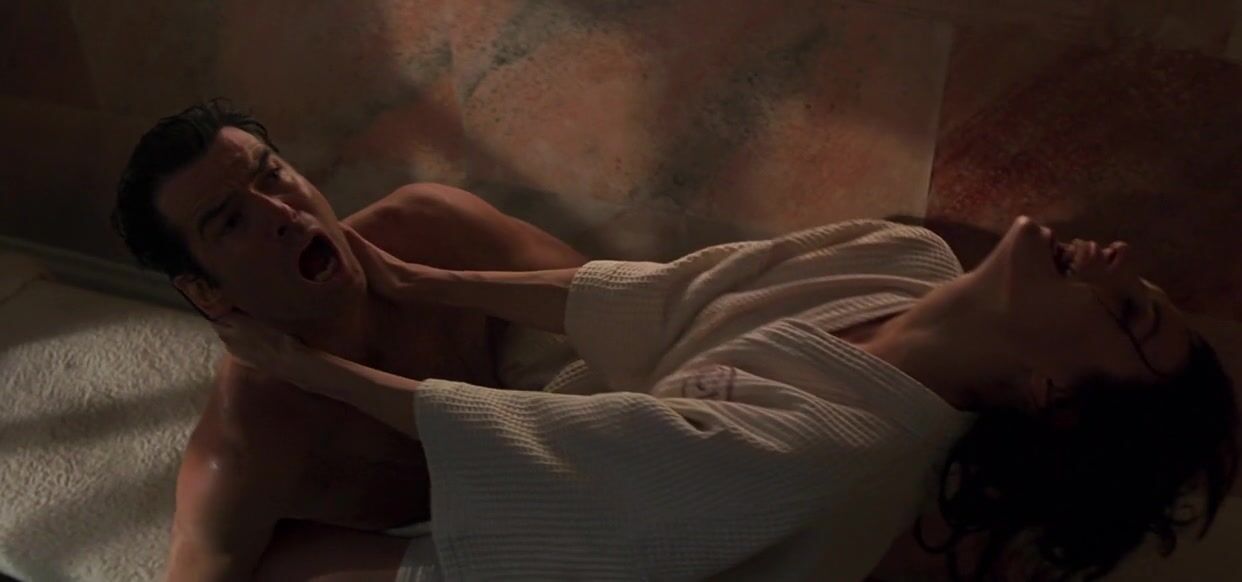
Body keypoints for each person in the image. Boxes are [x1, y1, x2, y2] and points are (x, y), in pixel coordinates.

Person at [214, 208, 1238, 579]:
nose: (1113, 259)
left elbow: (565, 451)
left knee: (275, 556)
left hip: (599, 545)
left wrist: (305, 366)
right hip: (611, 444)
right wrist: (417, 280)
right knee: (429, 215)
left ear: (1051, 393)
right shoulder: (907, 256)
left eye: (1127, 314)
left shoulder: (834, 449)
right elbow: (669, 296)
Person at [111, 100, 590, 581]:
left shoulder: (431, 228)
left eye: (272, 177)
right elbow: (199, 565)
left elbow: (624, 304)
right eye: (232, 221)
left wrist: (424, 282)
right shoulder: (247, 442)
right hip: (429, 541)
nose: (281, 212)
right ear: (205, 292)